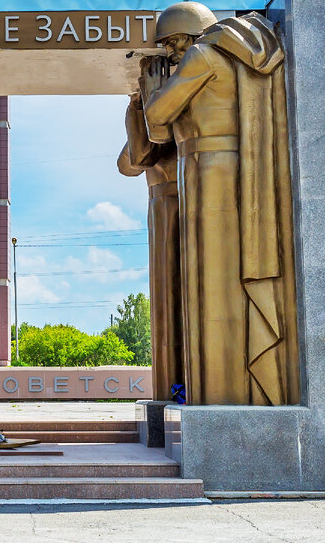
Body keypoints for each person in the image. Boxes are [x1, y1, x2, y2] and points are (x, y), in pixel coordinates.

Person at [142, 3, 299, 406]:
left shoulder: (202, 56)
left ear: (192, 33)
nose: (173, 52)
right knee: (218, 277)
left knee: (210, 279)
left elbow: (158, 122)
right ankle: (236, 387)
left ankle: (220, 392)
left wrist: (150, 91)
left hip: (207, 167)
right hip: (227, 166)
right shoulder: (237, 58)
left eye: (174, 41)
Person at [116, 64, 182, 402]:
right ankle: (176, 386)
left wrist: (146, 105)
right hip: (163, 203)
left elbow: (138, 155)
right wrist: (140, 106)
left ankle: (188, 386)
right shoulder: (153, 114)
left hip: (192, 200)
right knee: (168, 298)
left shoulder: (178, 106)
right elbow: (131, 160)